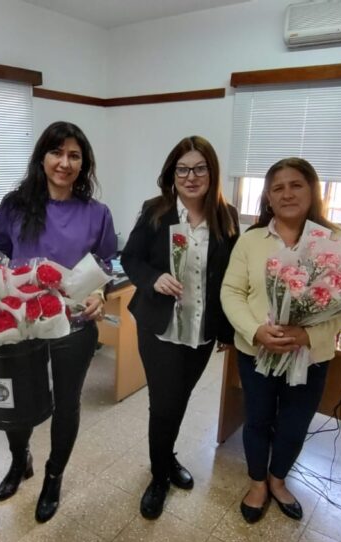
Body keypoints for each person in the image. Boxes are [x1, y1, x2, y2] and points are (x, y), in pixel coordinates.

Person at [0, 121, 116, 522]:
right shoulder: (16, 205)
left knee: (66, 402)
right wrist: (2, 285)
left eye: (74, 156)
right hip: (20, 323)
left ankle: (54, 476)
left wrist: (98, 294)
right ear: (42, 158)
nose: (64, 163)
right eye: (56, 152)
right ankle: (18, 460)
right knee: (20, 399)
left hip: (73, 326)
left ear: (84, 164)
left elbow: (105, 264)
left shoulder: (96, 213)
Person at [220, 157, 341, 524]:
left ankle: (278, 479)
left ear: (312, 190)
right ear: (268, 196)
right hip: (256, 351)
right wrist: (255, 330)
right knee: (257, 419)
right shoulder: (251, 240)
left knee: (295, 423)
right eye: (277, 188)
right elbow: (231, 292)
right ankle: (257, 483)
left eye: (296, 185)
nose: (287, 194)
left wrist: (308, 334)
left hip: (310, 354)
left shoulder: (336, 241)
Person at [120, 136, 239, 519]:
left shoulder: (227, 216)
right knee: (164, 403)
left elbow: (230, 277)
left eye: (199, 168)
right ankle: (159, 476)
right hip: (161, 327)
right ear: (172, 174)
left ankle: (167, 456)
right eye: (182, 169)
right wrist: (153, 278)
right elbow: (130, 258)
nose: (191, 176)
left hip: (201, 329)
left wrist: (226, 330)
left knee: (179, 398)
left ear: (212, 172)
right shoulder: (156, 211)